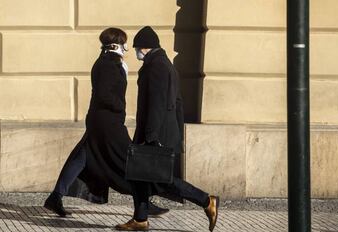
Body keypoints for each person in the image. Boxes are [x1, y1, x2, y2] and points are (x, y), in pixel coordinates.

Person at [43, 27, 168, 217]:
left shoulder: (109, 62)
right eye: (125, 43)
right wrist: (120, 107)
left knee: (81, 157)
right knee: (130, 161)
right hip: (108, 122)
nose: (127, 48)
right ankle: (143, 203)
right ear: (117, 44)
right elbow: (104, 95)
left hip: (100, 120)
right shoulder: (108, 64)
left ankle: (56, 196)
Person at [115, 26, 220, 232]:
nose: (136, 53)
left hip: (155, 132)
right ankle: (140, 219)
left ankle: (207, 200)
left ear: (144, 47)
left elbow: (156, 103)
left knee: (162, 180)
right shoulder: (165, 64)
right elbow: (178, 103)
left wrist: (151, 135)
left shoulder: (156, 67)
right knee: (138, 176)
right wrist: (177, 134)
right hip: (163, 130)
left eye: (137, 48)